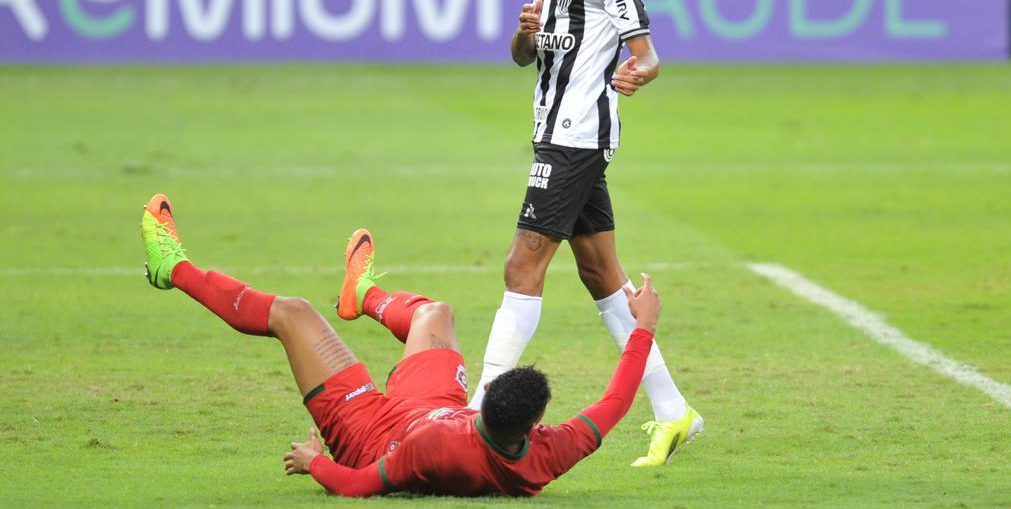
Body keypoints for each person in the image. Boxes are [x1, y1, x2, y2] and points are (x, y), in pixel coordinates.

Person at [139, 193, 662, 497]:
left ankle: (172, 268)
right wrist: (642, 327)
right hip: (432, 408)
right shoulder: (546, 452)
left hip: (367, 428)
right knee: (437, 313)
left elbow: (361, 485)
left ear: (484, 416)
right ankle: (362, 294)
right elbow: (614, 402)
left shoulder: (441, 450)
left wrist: (314, 462)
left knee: (292, 312)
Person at [467, 0, 702, 467]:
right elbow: (524, 55)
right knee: (601, 275)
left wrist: (638, 72)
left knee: (524, 264)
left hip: (577, 134)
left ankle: (477, 407)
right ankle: (674, 412)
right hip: (553, 128)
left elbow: (646, 53)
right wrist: (525, 33)